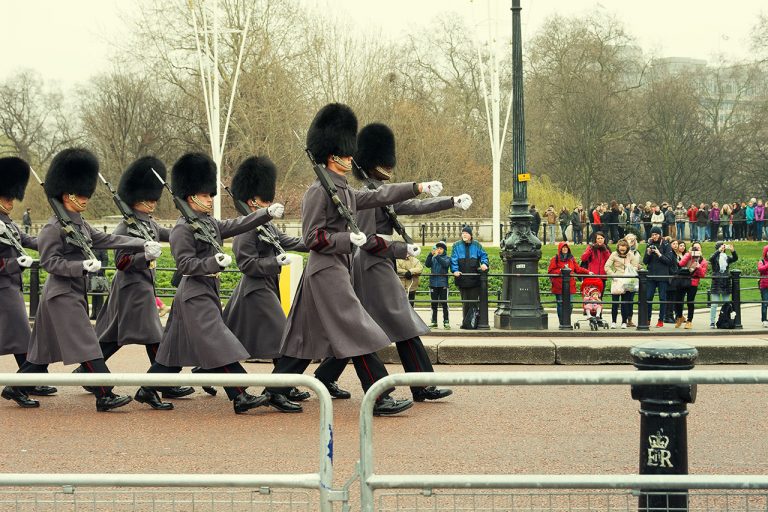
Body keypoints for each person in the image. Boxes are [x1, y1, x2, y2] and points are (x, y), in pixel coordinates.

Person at [269, 103, 438, 416]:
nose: (352, 158)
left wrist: (418, 187)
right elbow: (311, 238)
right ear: (333, 156)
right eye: (347, 153)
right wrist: (348, 239)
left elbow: (379, 196)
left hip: (334, 270)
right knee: (358, 330)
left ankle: (275, 389)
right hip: (325, 271)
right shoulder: (318, 192)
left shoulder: (343, 189)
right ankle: (380, 396)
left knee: (304, 336)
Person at [2, 148, 158, 411]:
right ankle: (104, 393)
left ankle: (16, 387)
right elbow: (51, 263)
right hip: (60, 295)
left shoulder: (79, 224)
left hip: (71, 294)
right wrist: (81, 267)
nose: (85, 199)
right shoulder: (54, 227)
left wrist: (142, 244)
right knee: (87, 343)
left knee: (42, 353)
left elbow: (108, 239)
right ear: (66, 194)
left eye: (86, 194)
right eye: (80, 194)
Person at [143, 152, 280, 414]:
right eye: (205, 195)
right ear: (190, 196)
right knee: (220, 342)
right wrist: (213, 263)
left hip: (205, 291)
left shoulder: (207, 222)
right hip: (194, 293)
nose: (210, 199)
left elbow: (237, 224)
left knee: (173, 351)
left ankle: (147, 388)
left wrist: (264, 213)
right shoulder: (183, 228)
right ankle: (240, 396)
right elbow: (184, 265)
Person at [88, 156, 192, 407]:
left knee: (114, 337)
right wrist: (143, 256)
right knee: (155, 337)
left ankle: (88, 371)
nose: (153, 204)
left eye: (155, 199)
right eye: (149, 199)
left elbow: (170, 234)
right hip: (131, 289)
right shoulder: (125, 228)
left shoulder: (149, 224)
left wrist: (189, 225)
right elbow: (121, 262)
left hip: (144, 289)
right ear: (137, 199)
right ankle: (156, 387)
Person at [221, 155, 309, 409]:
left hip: (267, 287)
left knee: (271, 340)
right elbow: (245, 264)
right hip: (255, 289)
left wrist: (319, 243)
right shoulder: (246, 228)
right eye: (265, 201)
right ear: (252, 201)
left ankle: (284, 386)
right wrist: (275, 263)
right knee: (284, 339)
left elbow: (290, 242)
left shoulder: (266, 225)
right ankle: (277, 393)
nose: (270, 204)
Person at [0, 157, 54, 399]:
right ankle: (21, 386)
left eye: (12, 198)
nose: (10, 202)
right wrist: (13, 263)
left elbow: (29, 241)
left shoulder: (7, 223)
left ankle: (29, 380)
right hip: (3, 287)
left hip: (11, 285)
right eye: (6, 198)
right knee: (22, 335)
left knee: (21, 336)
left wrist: (54, 239)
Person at [451, 225, 489, 328]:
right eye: (463, 233)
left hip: (474, 278)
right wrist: (455, 270)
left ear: (470, 235)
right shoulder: (456, 245)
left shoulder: (477, 245)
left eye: (466, 233)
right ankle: (466, 323)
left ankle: (473, 323)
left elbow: (484, 255)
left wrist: (484, 263)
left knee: (473, 302)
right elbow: (453, 259)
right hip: (462, 278)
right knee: (465, 303)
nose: (464, 235)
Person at [548, 241, 590, 326]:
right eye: (563, 248)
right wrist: (560, 271)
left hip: (570, 285)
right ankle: (562, 322)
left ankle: (566, 319)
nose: (565, 249)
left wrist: (588, 272)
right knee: (560, 304)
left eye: (566, 247)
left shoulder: (571, 259)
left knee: (570, 304)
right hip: (558, 285)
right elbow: (550, 271)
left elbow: (577, 269)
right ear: (560, 249)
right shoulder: (555, 259)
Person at [604, 238, 640, 329]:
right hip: (617, 280)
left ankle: (624, 322)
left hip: (627, 280)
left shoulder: (631, 255)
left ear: (627, 248)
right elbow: (607, 266)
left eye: (624, 248)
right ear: (618, 247)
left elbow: (636, 267)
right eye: (621, 248)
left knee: (625, 302)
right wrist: (613, 275)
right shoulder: (614, 254)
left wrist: (629, 268)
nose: (622, 250)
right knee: (615, 302)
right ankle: (613, 321)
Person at [642, 226, 675, 327]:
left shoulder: (666, 245)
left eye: (656, 234)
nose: (654, 236)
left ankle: (661, 320)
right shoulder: (650, 244)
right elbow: (645, 261)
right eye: (652, 235)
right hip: (651, 275)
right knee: (648, 298)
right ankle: (647, 319)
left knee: (662, 298)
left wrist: (658, 253)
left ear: (660, 234)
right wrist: (648, 253)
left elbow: (669, 261)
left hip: (662, 275)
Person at [676, 241, 708, 329]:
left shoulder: (703, 261)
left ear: (701, 250)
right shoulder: (688, 256)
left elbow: (702, 275)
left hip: (693, 282)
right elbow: (680, 264)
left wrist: (698, 267)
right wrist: (688, 254)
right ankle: (680, 317)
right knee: (678, 300)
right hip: (682, 281)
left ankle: (689, 321)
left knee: (690, 302)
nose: (696, 249)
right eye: (695, 248)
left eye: (698, 248)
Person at [708, 242, 738, 329]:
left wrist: (733, 251)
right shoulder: (714, 256)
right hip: (716, 282)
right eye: (721, 246)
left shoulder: (726, 257)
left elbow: (735, 258)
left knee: (726, 303)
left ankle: (726, 320)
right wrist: (718, 251)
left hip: (726, 282)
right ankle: (712, 322)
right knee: (714, 304)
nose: (723, 248)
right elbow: (711, 258)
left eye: (724, 246)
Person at [425, 240, 450, 328]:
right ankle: (434, 321)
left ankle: (446, 321)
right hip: (433, 284)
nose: (439, 250)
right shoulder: (433, 257)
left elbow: (445, 264)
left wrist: (437, 257)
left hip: (443, 284)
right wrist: (430, 255)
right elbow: (427, 265)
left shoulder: (447, 258)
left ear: (444, 250)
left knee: (444, 304)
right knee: (434, 304)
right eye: (437, 248)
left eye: (441, 248)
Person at [580, 231, 611, 296]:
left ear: (604, 239)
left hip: (602, 276)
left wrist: (605, 250)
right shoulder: (591, 247)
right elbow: (583, 258)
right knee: (591, 296)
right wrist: (591, 249)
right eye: (598, 238)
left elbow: (609, 260)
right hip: (592, 276)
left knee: (600, 296)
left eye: (601, 238)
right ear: (595, 240)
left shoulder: (607, 248)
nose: (600, 240)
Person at [623, 233, 642, 327]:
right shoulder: (623, 251)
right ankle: (624, 319)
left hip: (634, 277)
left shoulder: (637, 252)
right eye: (629, 239)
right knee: (626, 299)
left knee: (631, 299)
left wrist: (639, 266)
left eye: (633, 240)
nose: (632, 241)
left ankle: (630, 319)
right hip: (625, 277)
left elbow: (639, 262)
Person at [666, 240, 687, 325]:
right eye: (674, 244)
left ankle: (675, 316)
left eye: (676, 244)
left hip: (678, 279)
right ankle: (668, 316)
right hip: (672, 278)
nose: (676, 246)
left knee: (675, 298)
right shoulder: (671, 254)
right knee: (670, 298)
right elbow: (671, 266)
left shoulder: (675, 254)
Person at [88, 247, 110, 320]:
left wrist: (100, 270)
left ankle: (99, 314)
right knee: (94, 294)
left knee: (99, 294)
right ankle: (93, 314)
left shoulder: (102, 249)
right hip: (91, 274)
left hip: (99, 274)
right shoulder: (90, 248)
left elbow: (105, 260)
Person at [758, 245, 768, 327]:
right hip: (764, 285)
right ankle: (764, 319)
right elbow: (760, 269)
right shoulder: (762, 261)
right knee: (765, 303)